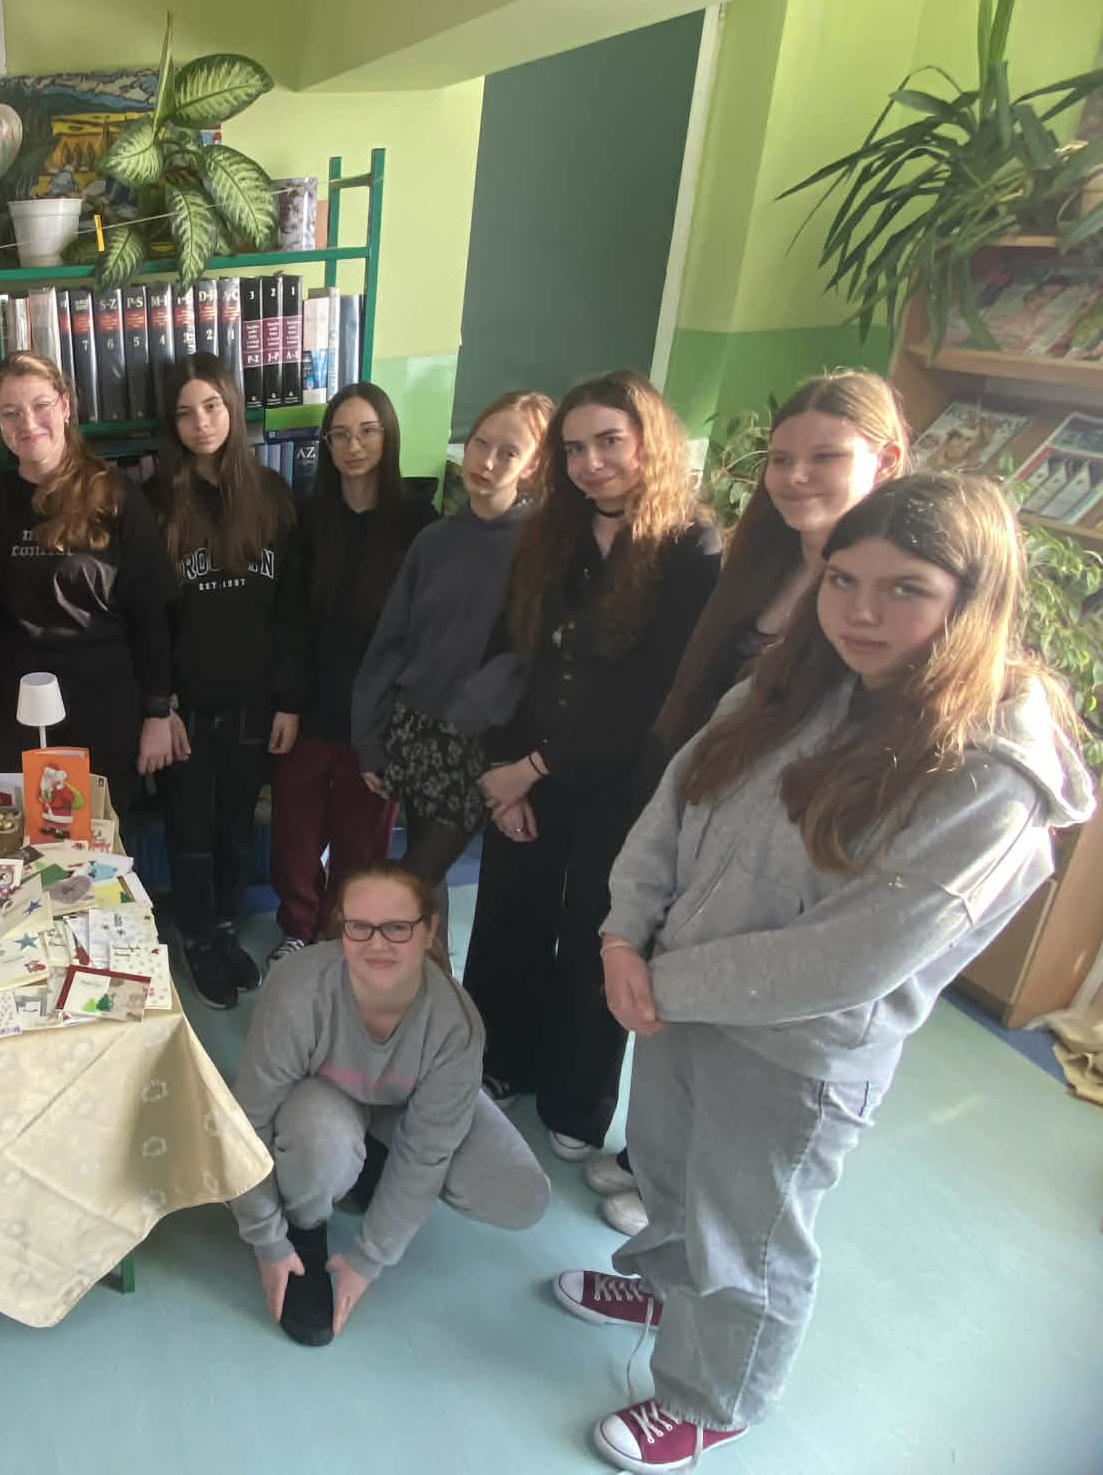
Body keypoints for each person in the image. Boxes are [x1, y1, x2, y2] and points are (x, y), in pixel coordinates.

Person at [556, 474, 1092, 1472]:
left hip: (793, 1055)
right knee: (668, 1171)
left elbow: (847, 958)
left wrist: (658, 981)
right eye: (843, 579)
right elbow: (673, 805)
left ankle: (713, 1396)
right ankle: (665, 1290)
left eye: (904, 589)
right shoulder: (792, 686)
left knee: (748, 1233)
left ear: (972, 600)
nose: (859, 612)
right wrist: (623, 936)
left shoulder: (986, 775)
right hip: (674, 999)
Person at [585, 369, 909, 1237]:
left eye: (825, 458)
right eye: (781, 458)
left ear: (885, 460)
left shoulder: (885, 611)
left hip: (791, 853)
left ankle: (680, 1215)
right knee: (677, 1053)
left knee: (748, 1195)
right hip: (704, 808)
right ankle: (655, 1173)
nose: (795, 477)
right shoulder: (762, 561)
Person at [459, 370, 720, 1162]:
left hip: (622, 782)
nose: (591, 463)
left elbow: (654, 691)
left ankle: (576, 1103)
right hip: (525, 770)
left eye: (610, 442)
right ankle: (502, 1060)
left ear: (651, 442)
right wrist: (502, 771)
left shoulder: (690, 548)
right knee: (511, 914)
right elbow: (508, 657)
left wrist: (530, 768)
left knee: (599, 934)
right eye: (573, 449)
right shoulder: (551, 536)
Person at [229, 861, 549, 1347]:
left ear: (429, 931)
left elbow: (426, 1154)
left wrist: (368, 1259)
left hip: (403, 1102)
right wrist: (268, 1240)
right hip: (323, 1096)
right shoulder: (298, 991)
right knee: (322, 1144)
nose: (377, 945)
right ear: (341, 928)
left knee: (521, 1194)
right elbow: (242, 1123)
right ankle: (307, 1226)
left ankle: (371, 1164)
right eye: (360, 927)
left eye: (398, 928)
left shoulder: (455, 1026)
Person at [353, 389, 553, 910]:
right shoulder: (434, 540)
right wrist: (370, 737)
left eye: (509, 452)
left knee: (412, 882)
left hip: (482, 742)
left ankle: (382, 956)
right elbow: (391, 643)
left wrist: (480, 708)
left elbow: (537, 654)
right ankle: (431, 960)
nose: (486, 462)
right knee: (426, 877)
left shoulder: (542, 546)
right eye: (480, 443)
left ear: (534, 465)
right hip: (417, 731)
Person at [146, 354, 299, 1010]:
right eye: (185, 412)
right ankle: (197, 938)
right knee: (190, 832)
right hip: (186, 707)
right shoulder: (154, 502)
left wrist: (288, 700)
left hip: (254, 703)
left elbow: (292, 609)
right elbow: (147, 616)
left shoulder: (272, 494)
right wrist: (160, 705)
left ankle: (227, 927)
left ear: (233, 407)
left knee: (236, 828)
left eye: (211, 406)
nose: (201, 422)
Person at [0, 351, 174, 815]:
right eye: (11, 412)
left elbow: (149, 610)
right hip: (10, 713)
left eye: (40, 405)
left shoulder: (116, 496)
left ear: (65, 406)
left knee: (95, 847)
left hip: (102, 706)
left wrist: (158, 711)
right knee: (16, 845)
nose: (28, 423)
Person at [266, 383, 429, 969]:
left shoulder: (419, 524)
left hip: (377, 721)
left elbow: (422, 636)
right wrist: (287, 704)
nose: (354, 446)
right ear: (327, 445)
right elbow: (289, 619)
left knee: (363, 843)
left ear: (388, 437)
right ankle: (298, 929)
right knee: (295, 832)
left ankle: (342, 937)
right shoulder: (308, 518)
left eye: (367, 432)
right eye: (340, 435)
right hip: (311, 708)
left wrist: (397, 726)